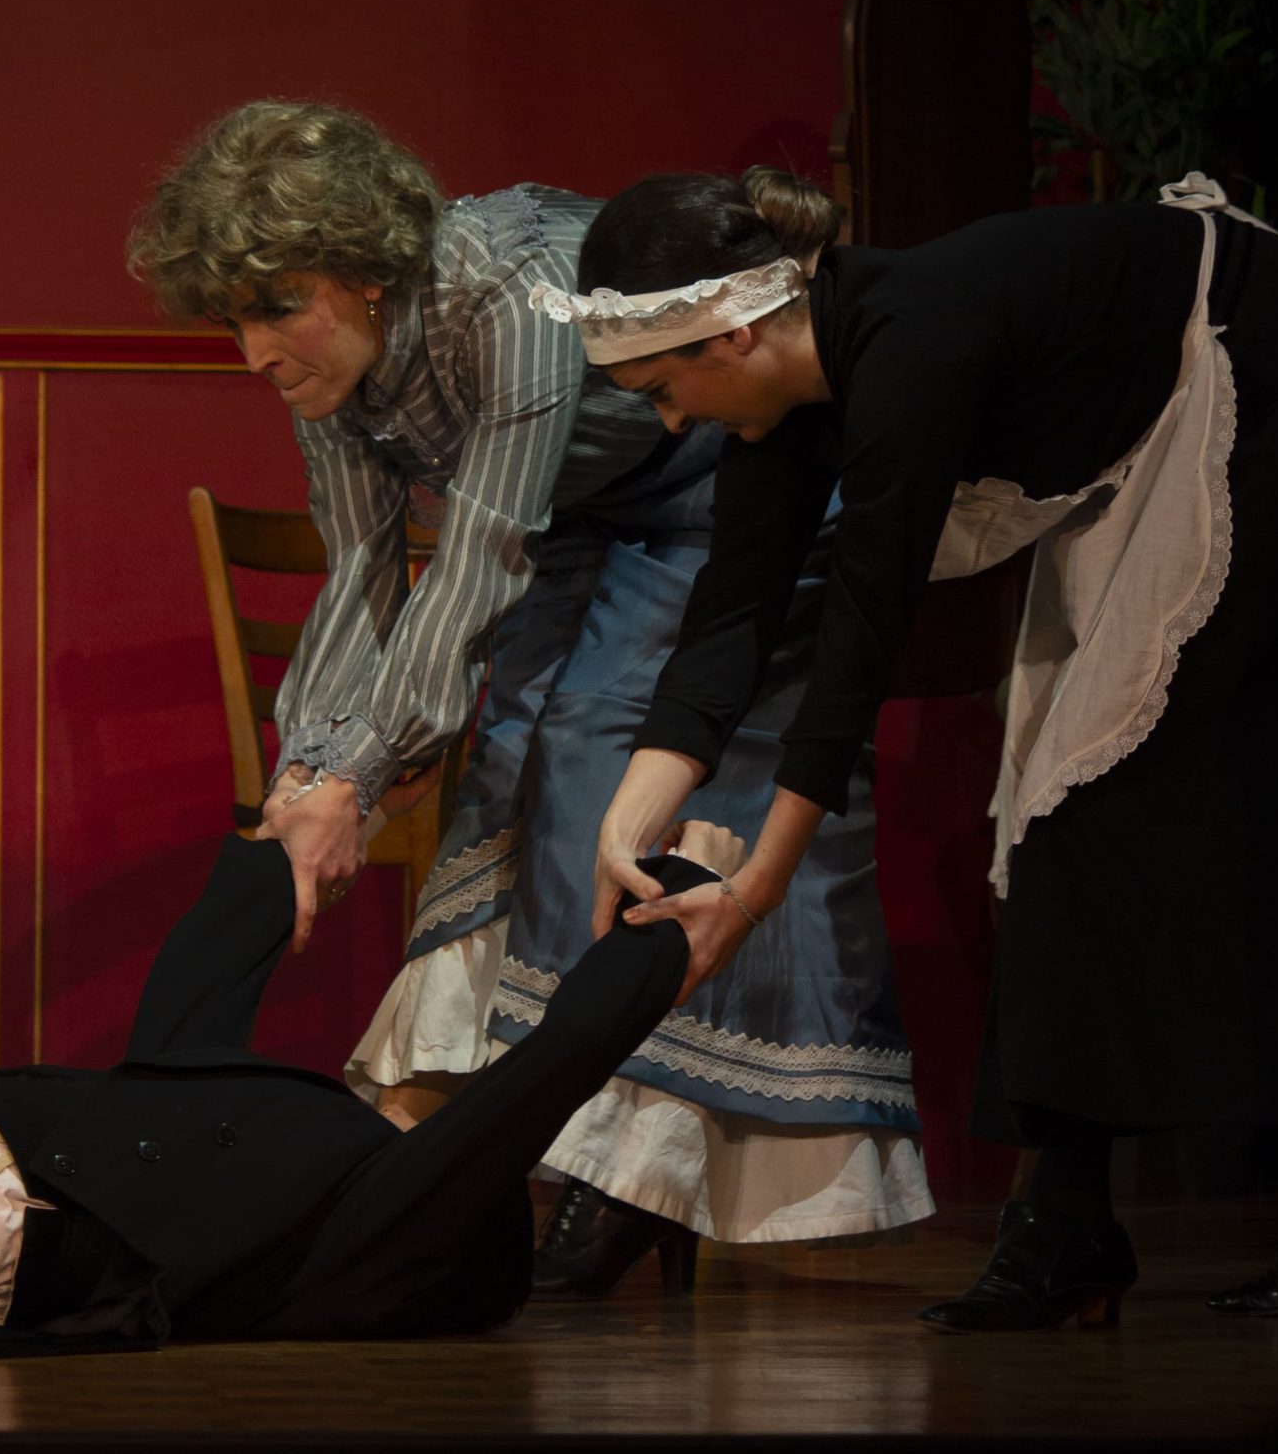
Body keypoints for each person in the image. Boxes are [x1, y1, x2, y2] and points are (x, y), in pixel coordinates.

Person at [546, 169, 1278, 1332]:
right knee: (1071, 805)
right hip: (1149, 436)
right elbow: (733, 610)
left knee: (1213, 792)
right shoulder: (784, 403)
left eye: (665, 390)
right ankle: (1070, 1220)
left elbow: (861, 640)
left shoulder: (911, 346)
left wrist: (753, 891)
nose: (670, 422)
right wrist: (630, 813)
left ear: (738, 331)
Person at [128, 107, 931, 1297]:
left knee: (605, 750)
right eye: (236, 322)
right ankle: (476, 1141)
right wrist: (315, 773)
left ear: (363, 272)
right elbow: (361, 569)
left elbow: (481, 552)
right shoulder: (331, 374)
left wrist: (356, 773)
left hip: (718, 473)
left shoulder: (503, 295)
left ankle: (632, 1167)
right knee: (511, 762)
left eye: (278, 309)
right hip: (581, 511)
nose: (255, 354)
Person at [0, 791, 744, 1359]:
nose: (411, 1098)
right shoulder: (252, 1152)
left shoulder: (372, 1231)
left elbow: (544, 1075)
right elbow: (196, 999)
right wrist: (280, 852)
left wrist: (672, 915)